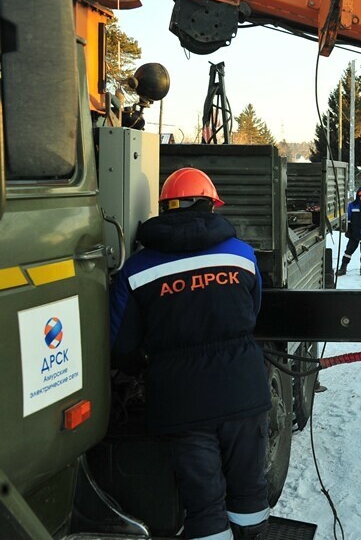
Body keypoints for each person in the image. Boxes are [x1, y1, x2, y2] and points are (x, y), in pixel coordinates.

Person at [109, 167, 271, 540]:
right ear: (211, 206)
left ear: (165, 209)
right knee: (248, 492)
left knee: (203, 504)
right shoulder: (242, 255)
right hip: (243, 390)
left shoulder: (136, 269)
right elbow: (253, 310)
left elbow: (120, 343)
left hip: (181, 402)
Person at [337, 186, 361, 276]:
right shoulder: (352, 205)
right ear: (358, 196)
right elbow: (348, 219)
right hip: (354, 232)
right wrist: (348, 230)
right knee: (348, 251)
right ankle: (343, 268)